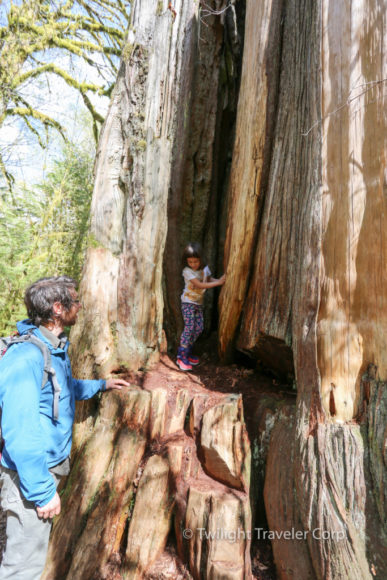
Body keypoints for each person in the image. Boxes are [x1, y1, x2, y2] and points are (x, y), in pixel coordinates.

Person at [0, 276, 130, 579]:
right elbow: (19, 430)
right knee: (23, 566)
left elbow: (62, 389)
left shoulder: (51, 348)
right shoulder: (26, 357)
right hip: (29, 477)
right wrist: (42, 491)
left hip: (45, 469)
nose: (79, 305)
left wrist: (102, 384)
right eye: (75, 299)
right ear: (58, 308)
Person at [177, 242, 225, 371]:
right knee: (189, 327)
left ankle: (188, 352)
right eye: (190, 261)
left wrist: (221, 280)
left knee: (199, 328)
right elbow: (199, 285)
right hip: (188, 303)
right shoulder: (187, 271)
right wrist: (219, 283)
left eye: (196, 261)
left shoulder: (204, 269)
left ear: (201, 259)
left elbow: (209, 280)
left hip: (198, 304)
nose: (193, 264)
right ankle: (181, 356)